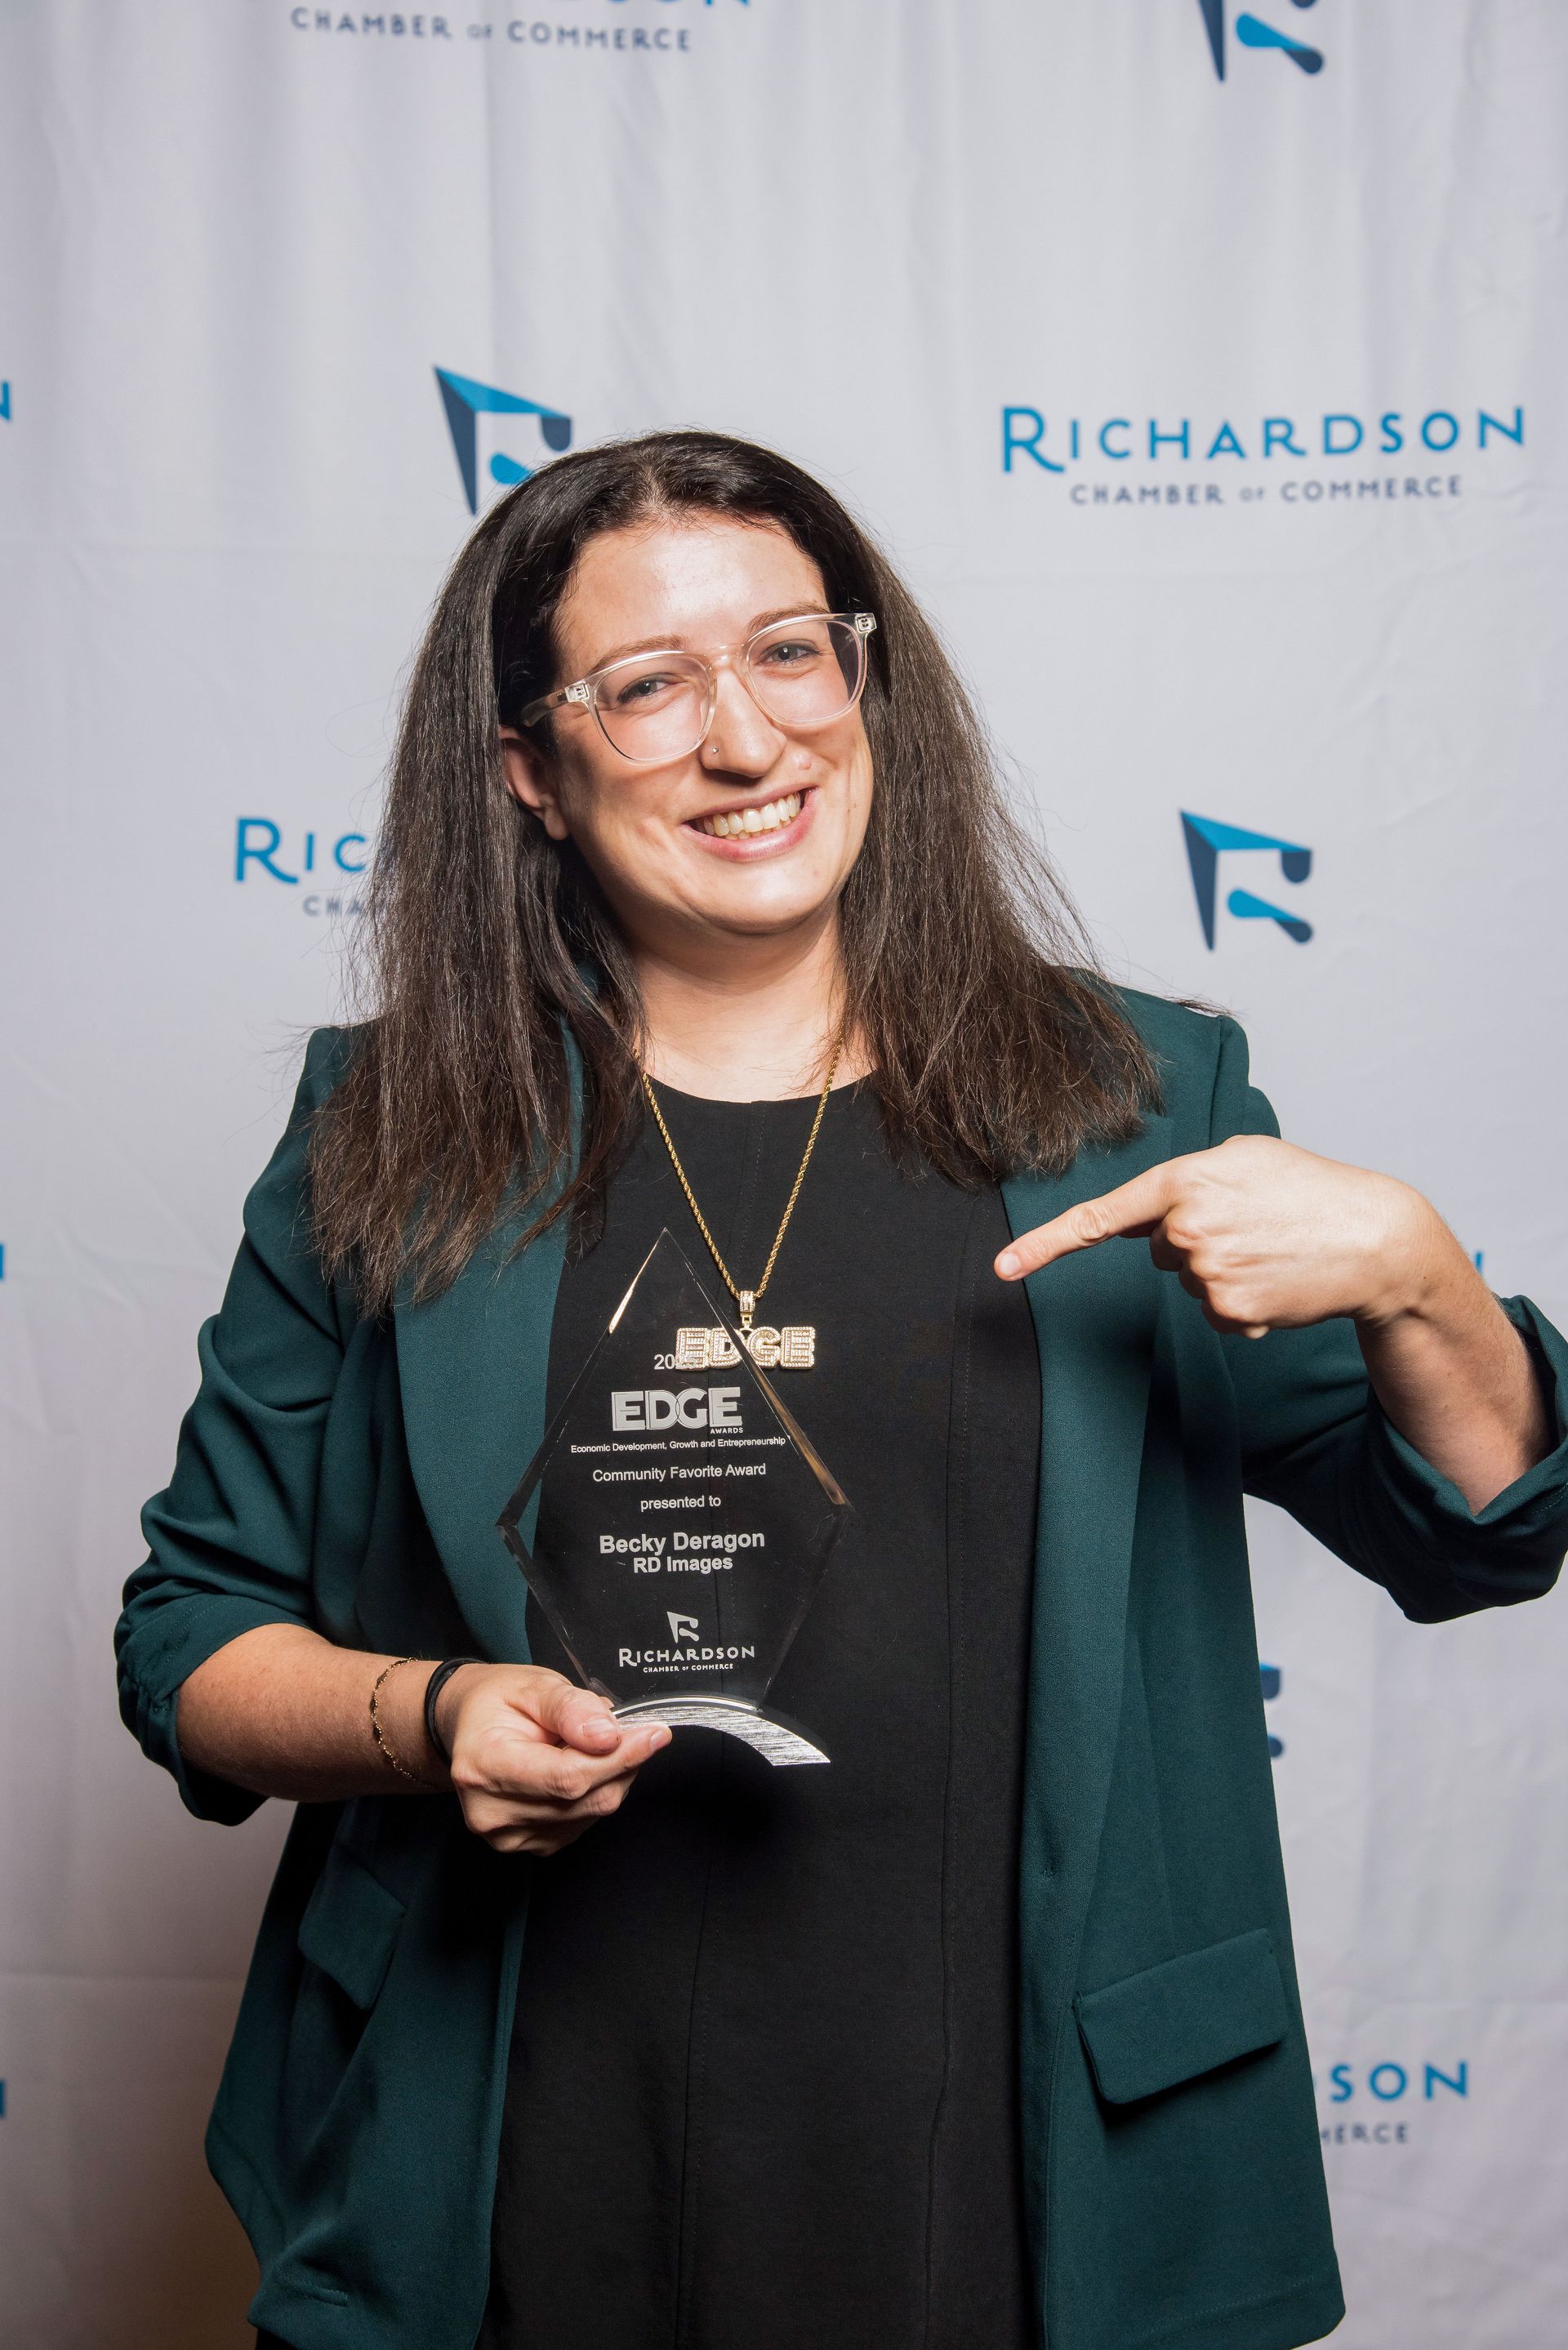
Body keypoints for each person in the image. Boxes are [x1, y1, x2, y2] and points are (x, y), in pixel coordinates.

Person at [117, 430, 1568, 2350]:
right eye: (647, 686)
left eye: (792, 651)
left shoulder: (1131, 1101)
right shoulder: (386, 1131)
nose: (749, 740)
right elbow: (191, 1640)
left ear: (866, 681)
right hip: (503, 2124)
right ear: (528, 773)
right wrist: (437, 1711)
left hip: (1023, 2141)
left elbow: (1477, 1528)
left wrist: (1420, 1273)